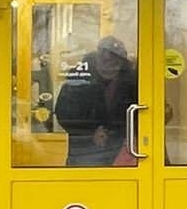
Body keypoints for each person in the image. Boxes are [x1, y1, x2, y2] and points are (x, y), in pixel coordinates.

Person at [54, 34, 138, 166]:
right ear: (97, 58)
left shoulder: (131, 81)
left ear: (122, 63)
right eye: (105, 61)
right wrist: (91, 131)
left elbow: (139, 112)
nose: (109, 66)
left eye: (115, 62)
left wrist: (129, 133)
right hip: (85, 150)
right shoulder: (79, 77)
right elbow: (64, 113)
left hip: (121, 148)